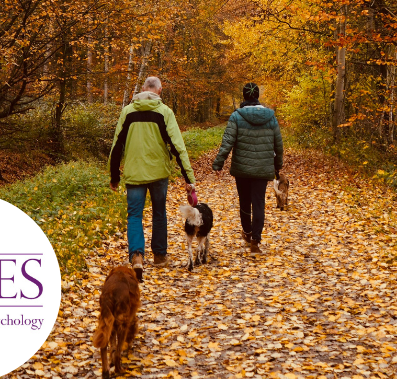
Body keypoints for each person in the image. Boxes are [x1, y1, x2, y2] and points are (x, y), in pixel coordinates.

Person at [109, 76, 195, 280]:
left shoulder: (128, 112)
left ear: (142, 89)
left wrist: (114, 176)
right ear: (159, 90)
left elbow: (116, 145)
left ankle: (137, 257)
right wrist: (188, 177)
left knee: (134, 215)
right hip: (158, 173)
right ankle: (159, 255)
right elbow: (177, 146)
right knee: (159, 212)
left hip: (134, 172)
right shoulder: (164, 112)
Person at [212, 82, 283, 253]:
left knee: (244, 201)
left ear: (244, 96)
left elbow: (227, 142)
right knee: (259, 202)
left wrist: (218, 163)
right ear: (257, 96)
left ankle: (247, 232)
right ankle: (255, 241)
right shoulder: (271, 117)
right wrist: (277, 165)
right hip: (262, 168)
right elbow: (278, 144)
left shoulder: (236, 116)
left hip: (242, 169)